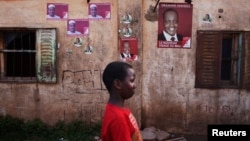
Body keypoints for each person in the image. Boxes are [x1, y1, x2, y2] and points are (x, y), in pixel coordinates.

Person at [101, 61, 143, 141]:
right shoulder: (118, 119)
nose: (134, 85)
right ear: (117, 84)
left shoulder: (119, 111)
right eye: (131, 80)